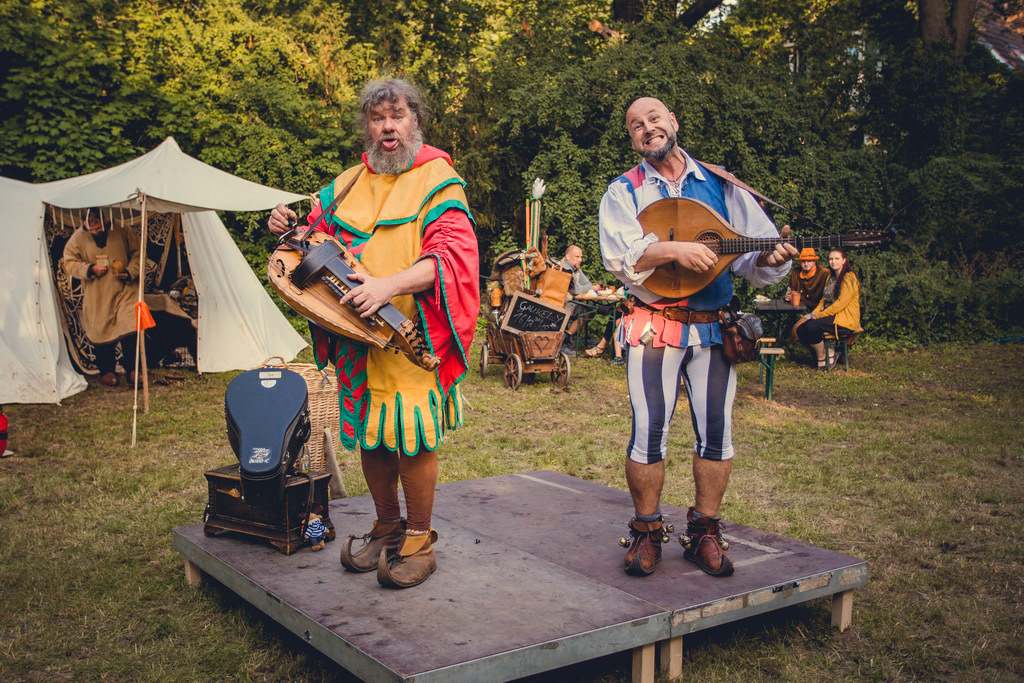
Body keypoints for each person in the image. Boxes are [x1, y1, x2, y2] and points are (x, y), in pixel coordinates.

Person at [268, 78, 479, 588]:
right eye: (378, 117)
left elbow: (451, 258)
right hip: (356, 337)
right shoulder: (346, 184)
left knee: (412, 436)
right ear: (367, 125)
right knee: (372, 433)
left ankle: (419, 538)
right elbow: (312, 241)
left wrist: (388, 286)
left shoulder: (439, 179)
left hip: (411, 336)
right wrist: (286, 225)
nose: (388, 127)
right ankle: (387, 527)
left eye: (397, 116)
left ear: (415, 121)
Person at [599, 97, 798, 577]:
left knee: (716, 432)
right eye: (636, 125)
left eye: (654, 119)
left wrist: (771, 258)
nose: (647, 128)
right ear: (632, 139)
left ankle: (704, 531)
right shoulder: (624, 191)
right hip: (655, 324)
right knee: (649, 432)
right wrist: (673, 249)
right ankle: (647, 531)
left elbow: (753, 253)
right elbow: (619, 255)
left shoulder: (722, 184)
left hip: (714, 327)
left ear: (673, 122)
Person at [62, 209, 193, 386]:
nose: (95, 231)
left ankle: (133, 369)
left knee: (131, 326)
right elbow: (69, 262)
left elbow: (138, 253)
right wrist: (90, 269)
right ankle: (107, 370)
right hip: (98, 294)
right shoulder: (78, 237)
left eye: (98, 227)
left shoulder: (121, 229)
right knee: (101, 328)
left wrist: (130, 271)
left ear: (105, 219)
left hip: (126, 289)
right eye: (90, 228)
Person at [795, 248, 861, 370]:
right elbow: (823, 300)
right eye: (831, 259)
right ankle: (824, 354)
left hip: (844, 320)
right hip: (831, 316)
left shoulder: (849, 277)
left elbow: (841, 303)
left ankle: (827, 355)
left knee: (810, 327)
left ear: (844, 260)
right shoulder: (831, 276)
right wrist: (815, 313)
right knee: (801, 329)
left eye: (837, 259)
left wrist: (820, 315)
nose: (833, 261)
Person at [560, 244, 598, 355]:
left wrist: (583, 287)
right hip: (563, 304)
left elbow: (588, 284)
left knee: (590, 310)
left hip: (571, 303)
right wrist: (584, 288)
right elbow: (576, 290)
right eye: (577, 257)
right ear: (568, 257)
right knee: (589, 310)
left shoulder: (575, 268)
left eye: (581, 257)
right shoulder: (565, 269)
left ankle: (567, 335)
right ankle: (565, 340)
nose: (580, 260)